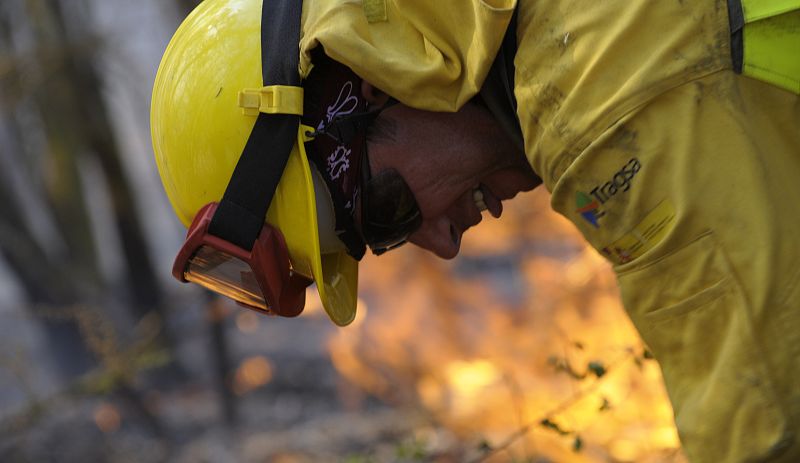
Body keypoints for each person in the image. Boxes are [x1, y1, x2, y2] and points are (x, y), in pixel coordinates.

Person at [151, 0, 800, 461]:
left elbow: (769, 422)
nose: (443, 243)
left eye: (387, 212)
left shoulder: (603, 103)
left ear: (366, 84)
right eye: (387, 240)